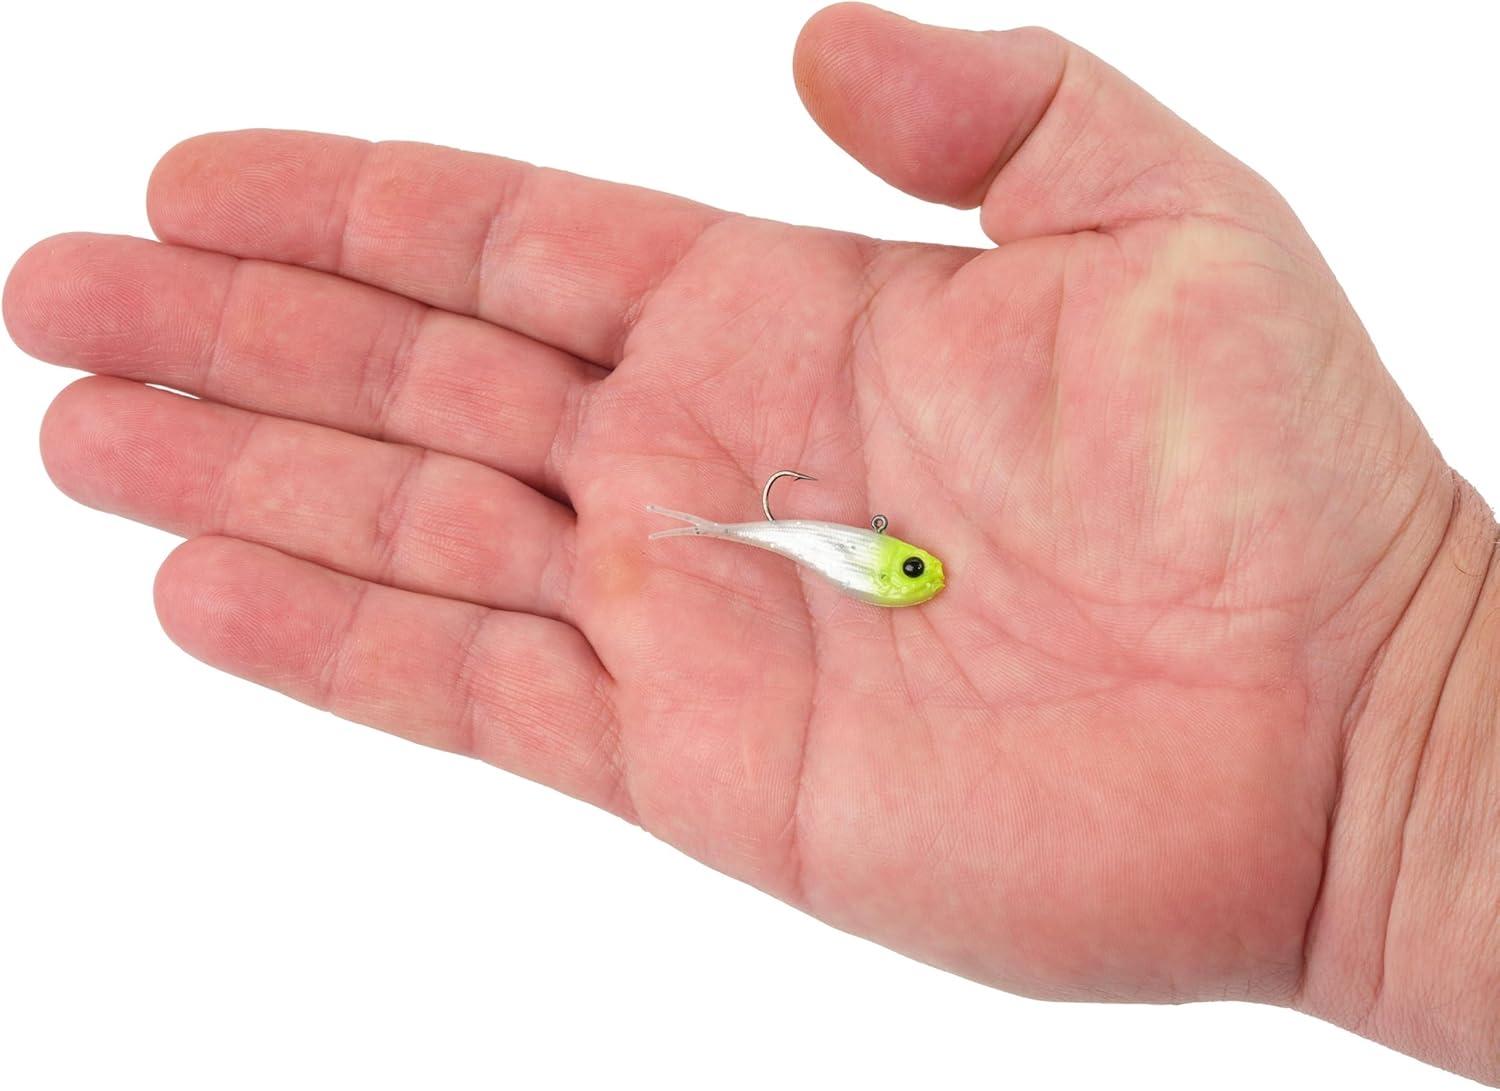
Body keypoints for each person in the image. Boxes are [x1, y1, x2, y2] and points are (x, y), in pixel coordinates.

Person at [4, 4, 1495, 1084]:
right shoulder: (856, 548)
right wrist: (1403, 772)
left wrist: (1406, 748)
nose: (913, 578)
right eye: (909, 573)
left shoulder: (878, 555)